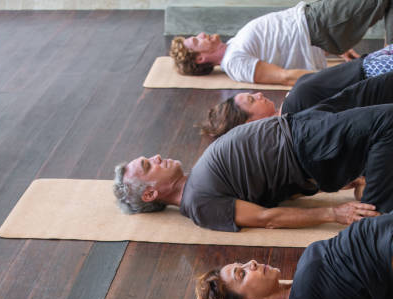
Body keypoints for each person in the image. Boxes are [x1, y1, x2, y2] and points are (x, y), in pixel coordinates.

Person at [114, 96, 393, 232]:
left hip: (304, 134)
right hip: (306, 144)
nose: (157, 158)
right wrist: (334, 213)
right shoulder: (199, 203)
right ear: (151, 194)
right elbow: (265, 217)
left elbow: (267, 188)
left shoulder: (198, 183)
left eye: (149, 158)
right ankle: (373, 230)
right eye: (149, 166)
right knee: (387, 121)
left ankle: (376, 209)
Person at [191, 215, 393, 299]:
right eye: (241, 274)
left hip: (381, 229)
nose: (250, 263)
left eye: (242, 264)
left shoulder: (295, 285)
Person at [169, 0, 393, 85]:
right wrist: (336, 80)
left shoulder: (233, 45)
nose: (200, 33)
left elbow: (282, 42)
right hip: (317, 24)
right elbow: (284, 77)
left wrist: (341, 51)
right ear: (200, 57)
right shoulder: (235, 63)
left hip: (316, 24)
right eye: (195, 41)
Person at [200, 45, 393, 138]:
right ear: (251, 121)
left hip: (371, 66)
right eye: (252, 100)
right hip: (373, 74)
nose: (259, 94)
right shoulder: (293, 111)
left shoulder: (291, 108)